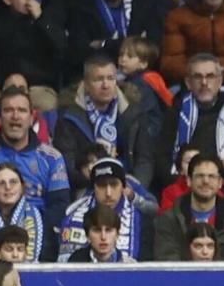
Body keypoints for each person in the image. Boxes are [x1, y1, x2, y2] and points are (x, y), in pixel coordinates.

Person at [54, 55, 155, 193]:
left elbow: (144, 159)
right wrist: (95, 182)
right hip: (86, 188)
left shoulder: (134, 112)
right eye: (98, 79)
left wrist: (133, 187)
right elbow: (66, 164)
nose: (106, 85)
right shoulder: (68, 117)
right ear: (87, 84)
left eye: (110, 78)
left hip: (128, 187)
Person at [0, 86, 70, 250]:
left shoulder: (52, 157)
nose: (15, 116)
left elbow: (60, 206)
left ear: (32, 118)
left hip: (39, 237)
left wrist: (33, 226)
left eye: (22, 110)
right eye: (8, 110)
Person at [156, 54, 224, 192]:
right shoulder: (175, 112)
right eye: (198, 77)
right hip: (182, 187)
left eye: (210, 76)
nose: (204, 82)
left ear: (220, 80)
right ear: (188, 82)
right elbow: (163, 157)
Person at [0, 0, 66, 106]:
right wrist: (5, 81)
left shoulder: (46, 21)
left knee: (45, 104)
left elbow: (61, 48)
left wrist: (41, 20)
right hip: (4, 86)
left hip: (38, 87)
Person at [59, 158, 153, 261]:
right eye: (102, 185)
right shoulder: (71, 217)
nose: (108, 193)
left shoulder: (141, 222)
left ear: (123, 187)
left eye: (114, 185)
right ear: (93, 187)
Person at [154, 154, 224, 261]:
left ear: (220, 183)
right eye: (200, 176)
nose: (206, 181)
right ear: (189, 180)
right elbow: (167, 261)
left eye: (211, 176)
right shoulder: (169, 220)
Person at [0, 162, 43, 261]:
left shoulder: (37, 215)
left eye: (13, 182)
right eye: (1, 183)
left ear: (22, 187)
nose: (8, 187)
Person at [67, 202, 133, 262]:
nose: (103, 237)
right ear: (87, 235)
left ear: (117, 234)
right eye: (97, 230)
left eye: (108, 230)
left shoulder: (131, 267)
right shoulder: (75, 264)